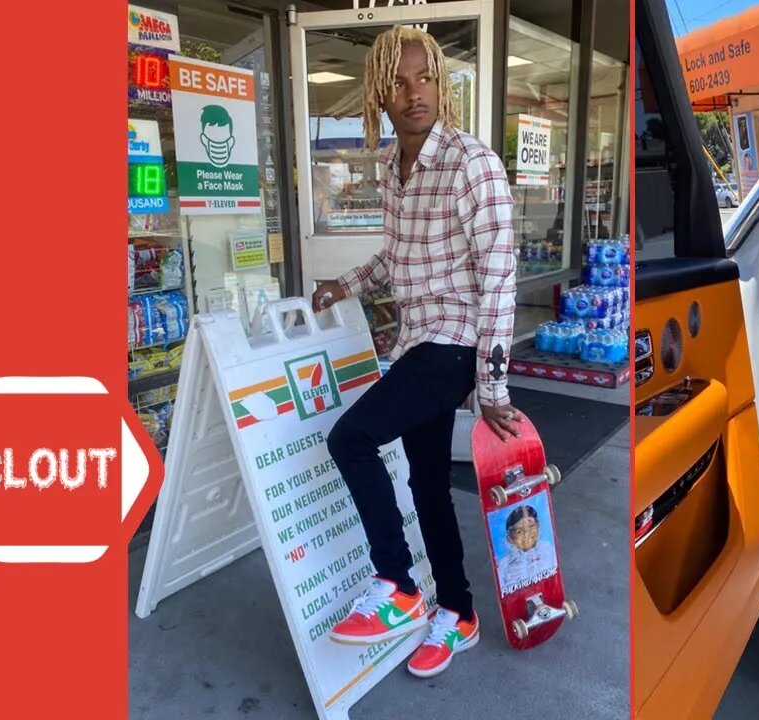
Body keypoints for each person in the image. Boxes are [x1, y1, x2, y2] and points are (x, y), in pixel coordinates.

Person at [314, 26, 523, 679]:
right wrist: (342, 285)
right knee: (430, 484)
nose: (414, 94)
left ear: (443, 82)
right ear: (381, 92)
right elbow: (397, 256)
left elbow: (499, 276)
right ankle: (458, 613)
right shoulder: (391, 168)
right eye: (399, 83)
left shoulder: (472, 163)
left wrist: (492, 385)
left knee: (350, 438)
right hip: (416, 340)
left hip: (454, 344)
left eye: (425, 78)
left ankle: (397, 585)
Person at [495, 505, 557, 595]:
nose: (526, 534)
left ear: (538, 525)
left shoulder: (549, 552)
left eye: (531, 526)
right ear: (509, 536)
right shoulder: (504, 566)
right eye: (519, 531)